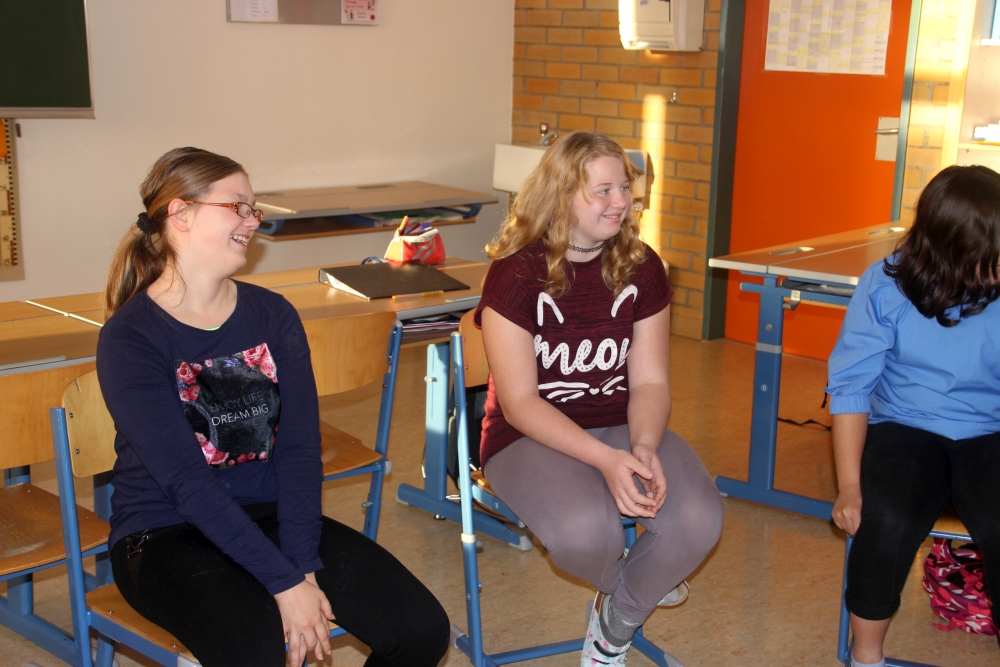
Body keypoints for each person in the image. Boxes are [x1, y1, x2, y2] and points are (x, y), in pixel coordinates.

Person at [97, 147, 449, 667]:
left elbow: (300, 450)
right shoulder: (132, 336)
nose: (252, 221)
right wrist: (283, 582)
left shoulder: (271, 313)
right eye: (236, 206)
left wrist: (302, 567)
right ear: (181, 214)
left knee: (421, 631)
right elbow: (186, 484)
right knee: (255, 649)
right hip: (165, 532)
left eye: (253, 208)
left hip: (270, 513)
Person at [474, 131, 723, 665]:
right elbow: (520, 403)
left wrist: (643, 447)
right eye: (603, 191)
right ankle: (640, 584)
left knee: (698, 519)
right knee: (585, 533)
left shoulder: (642, 265)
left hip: (620, 421)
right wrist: (608, 461)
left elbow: (650, 382)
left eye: (625, 188)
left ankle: (616, 622)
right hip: (527, 434)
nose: (621, 201)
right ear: (562, 195)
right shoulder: (517, 274)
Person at [828, 164, 1000, 667]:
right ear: (949, 248)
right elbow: (852, 387)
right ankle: (866, 657)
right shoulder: (885, 285)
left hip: (989, 430)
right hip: (905, 426)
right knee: (886, 519)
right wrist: (849, 486)